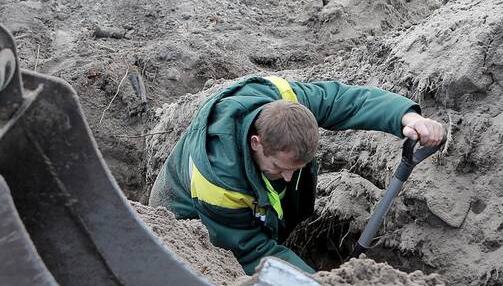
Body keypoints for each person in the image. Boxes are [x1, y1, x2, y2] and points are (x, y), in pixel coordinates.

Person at [148, 75, 445, 274]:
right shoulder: (219, 181)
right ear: (256, 143)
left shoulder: (284, 100)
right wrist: (321, 285)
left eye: (296, 170)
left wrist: (409, 118)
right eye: (280, 168)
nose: (288, 179)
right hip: (185, 227)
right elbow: (252, 253)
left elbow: (345, 101)